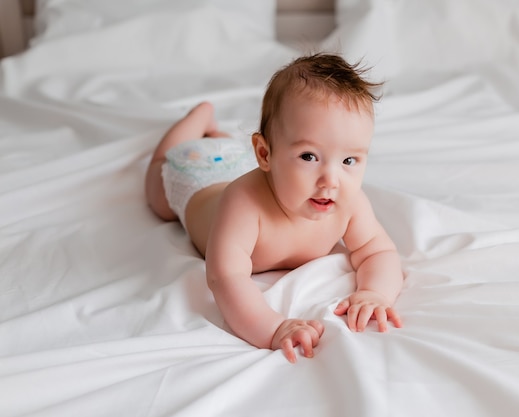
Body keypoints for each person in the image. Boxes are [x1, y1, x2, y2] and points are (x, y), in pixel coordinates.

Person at [145, 53, 404, 363]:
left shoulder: (348, 203)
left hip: (239, 161)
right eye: (309, 157)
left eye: (349, 160)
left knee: (226, 149)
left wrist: (375, 293)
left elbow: (378, 251)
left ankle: (218, 134)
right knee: (159, 195)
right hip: (196, 177)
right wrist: (272, 328)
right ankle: (198, 120)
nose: (331, 180)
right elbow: (226, 277)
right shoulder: (242, 203)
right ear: (265, 155)